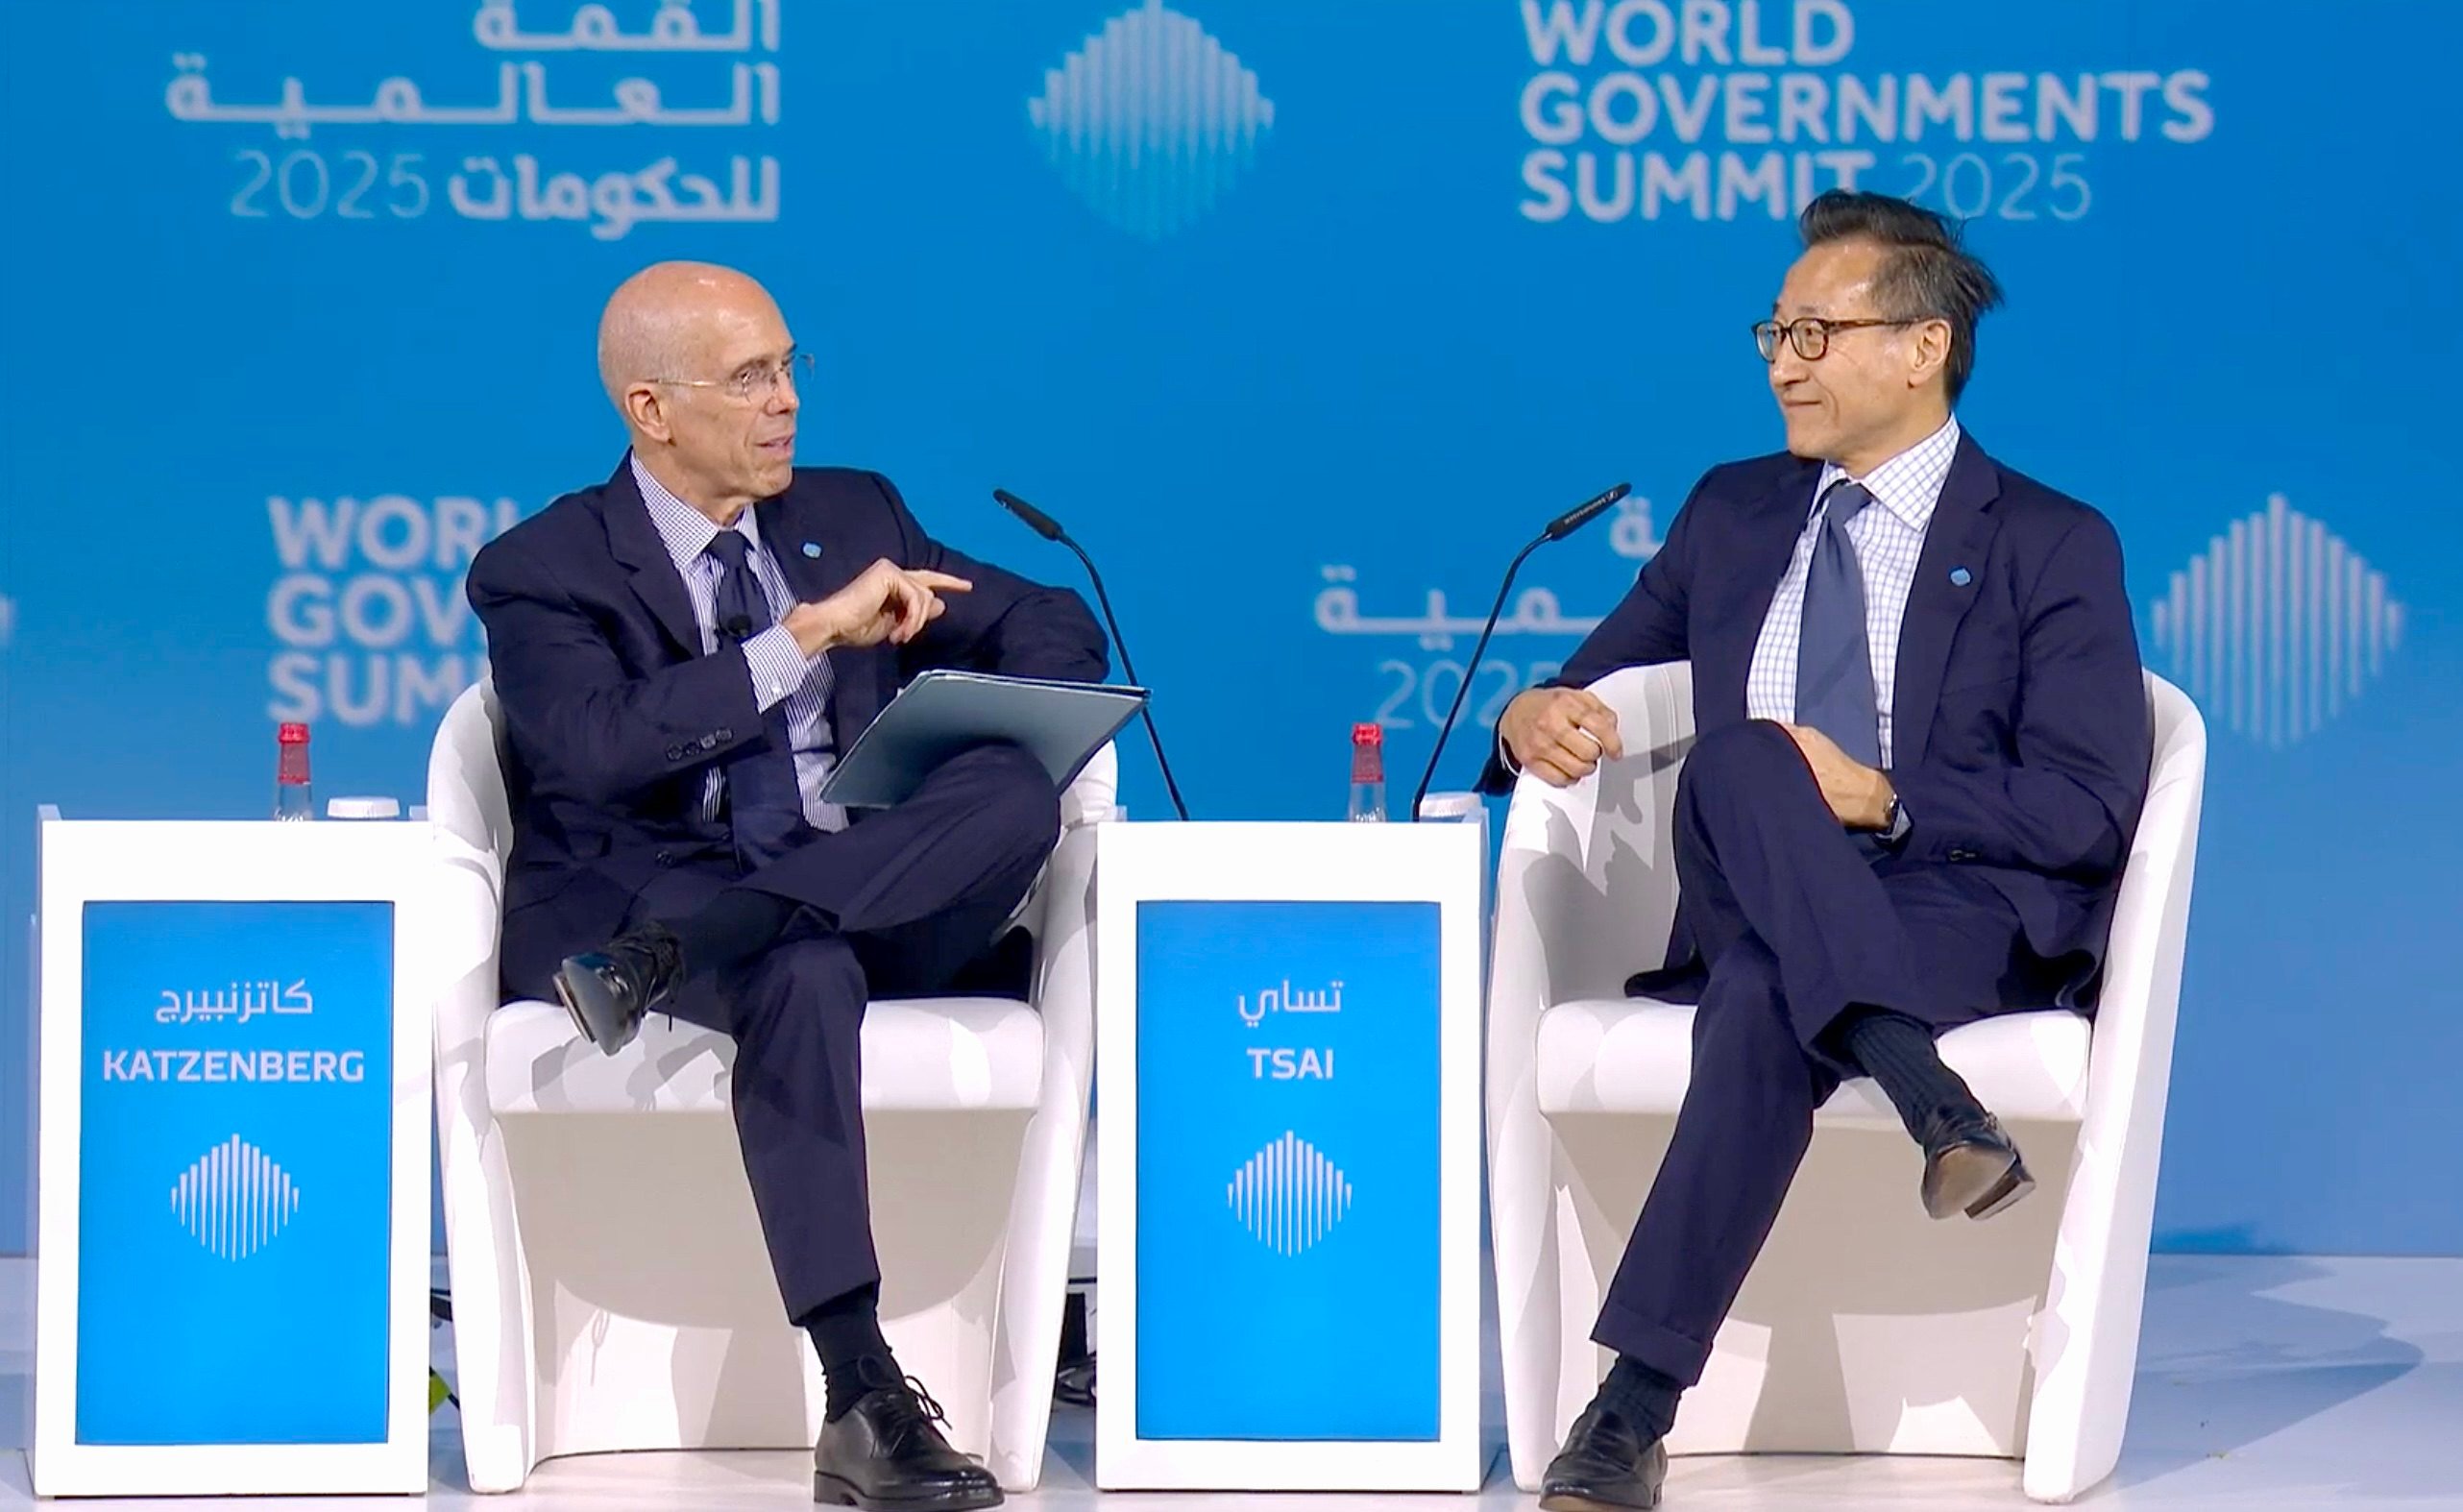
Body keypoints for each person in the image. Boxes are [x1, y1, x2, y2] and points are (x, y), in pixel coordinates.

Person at [1488, 192, 2152, 1511]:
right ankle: (1930, 1098)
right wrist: (1525, 719)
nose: (1781, 359)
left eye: (1814, 331)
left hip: (1950, 908)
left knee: (1758, 990)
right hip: (1765, 884)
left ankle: (1629, 1409)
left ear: (1922, 347)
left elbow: (2087, 805)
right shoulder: (1735, 513)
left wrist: (1894, 799)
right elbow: (1595, 684)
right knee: (1745, 757)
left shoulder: (2048, 541)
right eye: (1772, 332)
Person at [466, 260, 1107, 1512]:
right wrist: (802, 636)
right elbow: (596, 743)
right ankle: (864, 1390)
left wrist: (960, 704)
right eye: (749, 376)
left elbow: (1056, 624)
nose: (785, 402)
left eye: (788, 366)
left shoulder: (857, 509)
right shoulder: (542, 566)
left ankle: (759, 914)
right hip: (658, 898)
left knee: (1014, 788)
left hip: (832, 898)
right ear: (651, 409)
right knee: (800, 967)